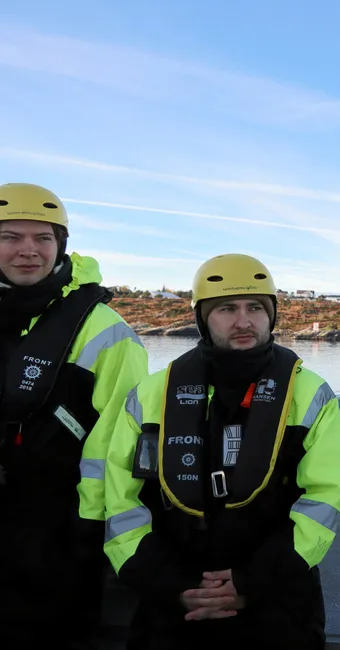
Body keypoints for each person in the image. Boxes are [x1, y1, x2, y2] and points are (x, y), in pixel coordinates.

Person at [103, 253, 340, 650]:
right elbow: (121, 501)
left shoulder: (309, 395)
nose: (243, 321)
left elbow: (322, 499)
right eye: (225, 309)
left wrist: (252, 582)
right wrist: (173, 585)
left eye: (255, 307)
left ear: (272, 316)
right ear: (203, 318)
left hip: (277, 600)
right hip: (174, 603)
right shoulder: (151, 396)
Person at [0, 182, 149, 649]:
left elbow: (120, 444)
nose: (29, 251)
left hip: (59, 533)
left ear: (61, 245)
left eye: (43, 238)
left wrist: (89, 529)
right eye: (11, 237)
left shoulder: (107, 333)